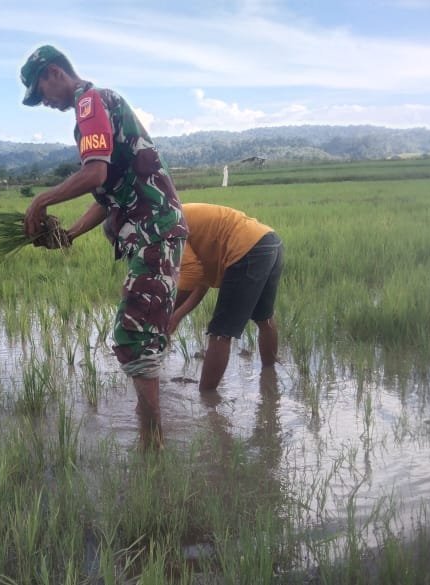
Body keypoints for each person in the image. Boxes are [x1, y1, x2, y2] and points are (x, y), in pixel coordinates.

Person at [19, 45, 188, 446]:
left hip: (153, 233)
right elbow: (107, 195)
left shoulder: (89, 103)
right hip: (151, 233)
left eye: (40, 92)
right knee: (141, 331)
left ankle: (152, 442)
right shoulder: (98, 104)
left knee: (134, 336)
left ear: (54, 73)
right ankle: (150, 426)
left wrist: (41, 200)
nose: (44, 102)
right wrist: (69, 234)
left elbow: (95, 173)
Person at [168, 203, 284, 392]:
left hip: (247, 248)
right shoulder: (176, 216)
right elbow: (201, 282)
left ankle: (207, 398)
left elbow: (191, 276)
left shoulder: (166, 225)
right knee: (265, 318)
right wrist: (176, 316)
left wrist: (164, 314)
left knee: (220, 333)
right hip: (269, 242)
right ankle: (269, 376)